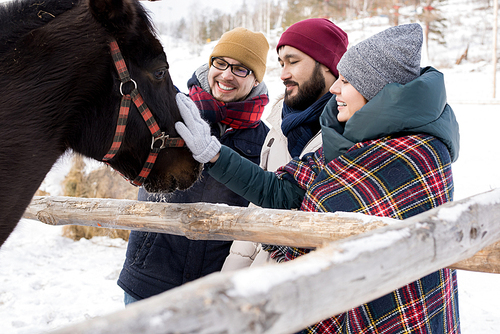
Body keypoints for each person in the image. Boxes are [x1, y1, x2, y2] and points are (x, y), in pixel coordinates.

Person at [175, 23, 460, 333]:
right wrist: (214, 153)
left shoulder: (416, 154)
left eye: (347, 81)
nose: (336, 88)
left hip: (396, 316)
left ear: (376, 90)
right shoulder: (348, 140)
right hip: (324, 301)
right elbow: (283, 193)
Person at [117, 27, 270, 304]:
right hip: (151, 276)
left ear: (256, 78)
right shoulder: (170, 108)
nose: (226, 75)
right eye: (220, 63)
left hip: (215, 288)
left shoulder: (266, 140)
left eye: (240, 69)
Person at [222, 18, 348, 271]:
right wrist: (231, 278)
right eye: (281, 64)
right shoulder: (278, 125)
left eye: (293, 61)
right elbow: (257, 210)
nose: (283, 74)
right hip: (255, 285)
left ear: (327, 65)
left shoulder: (347, 135)